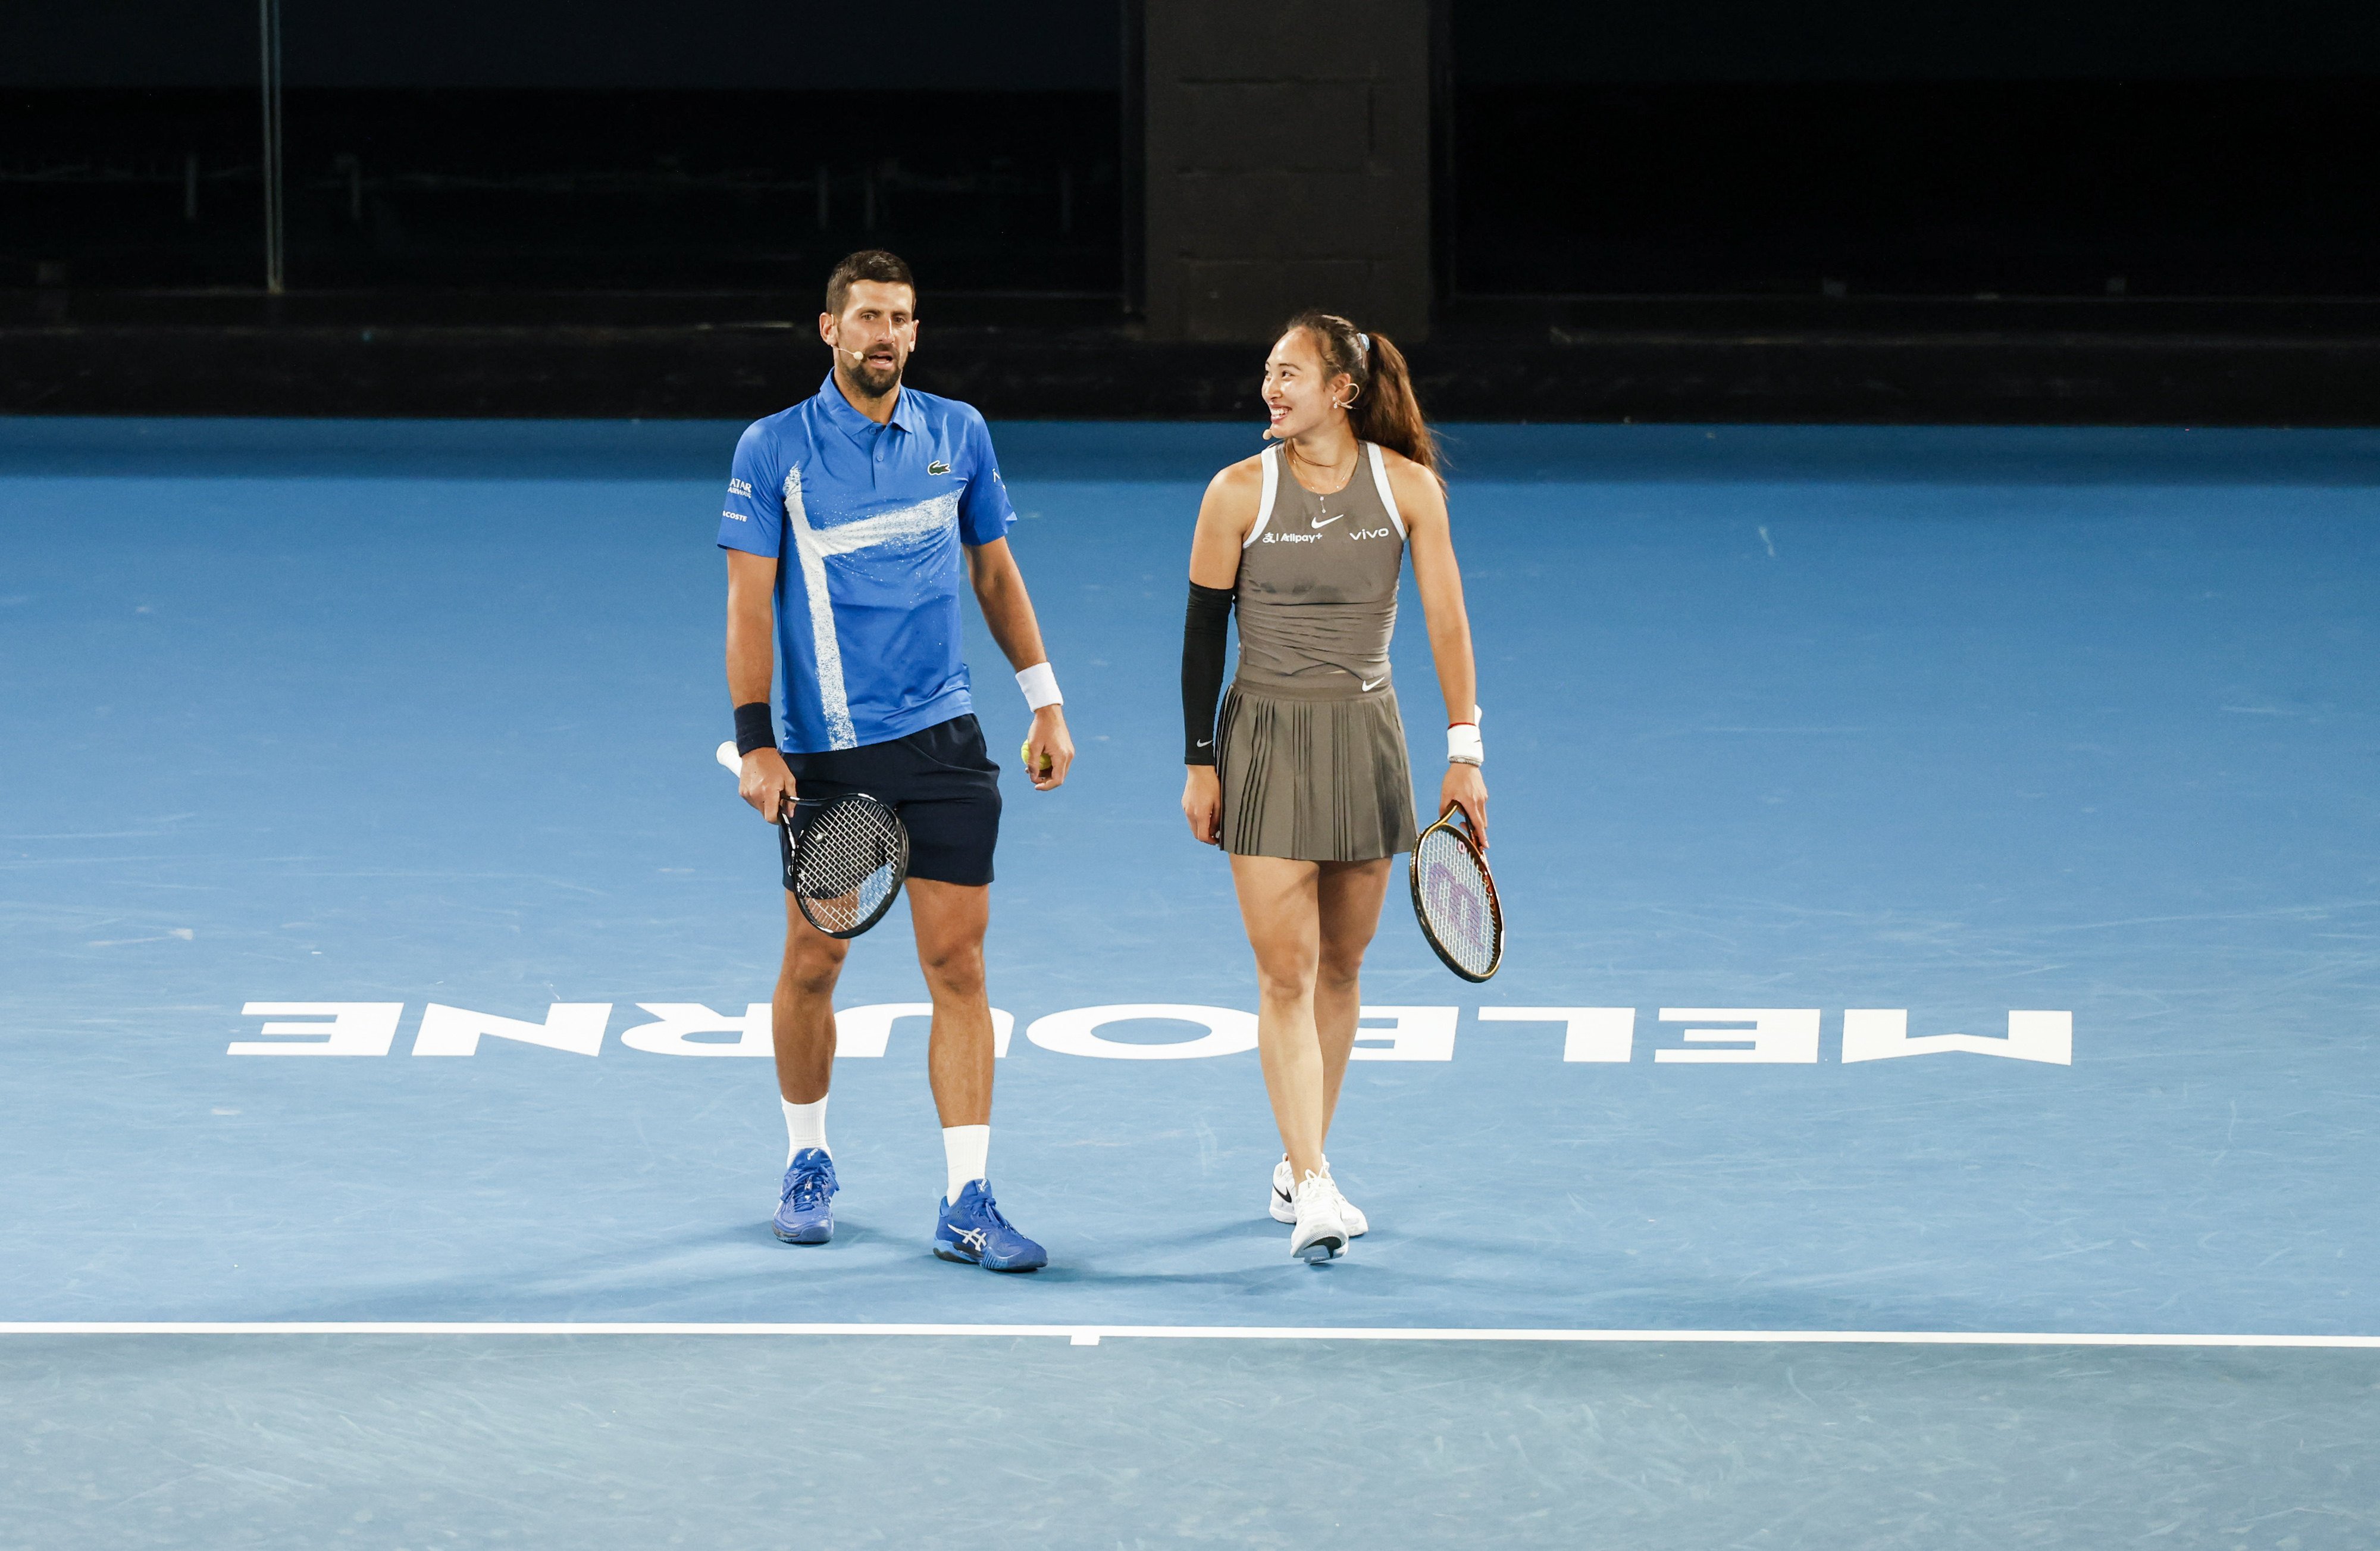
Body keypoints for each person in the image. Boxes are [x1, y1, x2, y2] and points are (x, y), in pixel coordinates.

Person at [721, 249, 1074, 1271]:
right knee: (814, 959)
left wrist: (1043, 699)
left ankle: (967, 1197)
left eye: (902, 318)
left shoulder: (957, 433)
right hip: (831, 760)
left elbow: (995, 571)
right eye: (867, 316)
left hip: (946, 743)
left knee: (959, 966)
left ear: (916, 332)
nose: (885, 333)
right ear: (828, 329)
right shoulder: (773, 450)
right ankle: (807, 1160)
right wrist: (757, 741)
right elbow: (750, 604)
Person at [1179, 311, 1487, 1263]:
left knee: (1343, 969)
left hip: (1367, 738)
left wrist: (1466, 749)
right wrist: (1200, 760)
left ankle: (1296, 1153)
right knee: (1284, 972)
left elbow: (1446, 622)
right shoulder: (1236, 492)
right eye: (1267, 371)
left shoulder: (1408, 491)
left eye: (1290, 374)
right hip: (1264, 739)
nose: (1271, 389)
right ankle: (1313, 1182)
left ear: (1342, 390)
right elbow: (1201, 637)